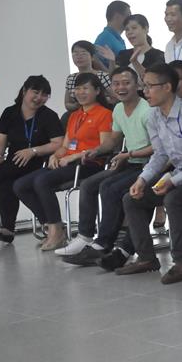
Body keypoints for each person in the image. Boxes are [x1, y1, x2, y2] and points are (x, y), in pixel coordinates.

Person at [116, 63, 182, 283]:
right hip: (179, 174)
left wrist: (174, 181)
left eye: (150, 86)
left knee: (173, 199)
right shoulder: (153, 116)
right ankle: (147, 258)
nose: (145, 91)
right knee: (131, 199)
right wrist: (142, 179)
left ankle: (181, 262)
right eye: (144, 86)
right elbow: (160, 155)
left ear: (167, 87)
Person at [55, 67, 153, 264]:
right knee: (89, 184)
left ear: (137, 85)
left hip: (148, 163)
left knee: (111, 188)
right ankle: (85, 237)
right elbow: (113, 140)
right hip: (129, 161)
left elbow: (158, 147)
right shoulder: (118, 109)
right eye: (116, 84)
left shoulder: (147, 110)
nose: (121, 87)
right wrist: (96, 151)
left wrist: (128, 155)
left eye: (126, 83)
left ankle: (103, 244)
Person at [14, 73, 112, 250]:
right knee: (20, 185)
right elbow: (65, 145)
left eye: (85, 88)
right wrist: (55, 155)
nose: (80, 92)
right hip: (67, 163)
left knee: (42, 181)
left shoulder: (104, 114)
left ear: (97, 91)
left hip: (88, 164)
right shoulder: (74, 115)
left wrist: (74, 156)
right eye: (77, 89)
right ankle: (51, 225)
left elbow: (104, 146)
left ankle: (57, 232)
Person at [0, 76, 64, 244]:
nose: (39, 98)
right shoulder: (10, 113)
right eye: (35, 92)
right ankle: (7, 230)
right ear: (24, 91)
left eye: (44, 95)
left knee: (6, 175)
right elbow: (0, 141)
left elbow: (59, 143)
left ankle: (48, 226)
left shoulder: (49, 116)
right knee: (7, 182)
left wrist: (33, 151)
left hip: (38, 162)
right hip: (14, 161)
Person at [65, 40, 114, 111]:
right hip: (79, 113)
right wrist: (78, 105)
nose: (79, 57)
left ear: (92, 57)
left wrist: (94, 102)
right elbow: (67, 103)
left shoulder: (102, 76)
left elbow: (115, 98)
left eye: (83, 53)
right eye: (75, 53)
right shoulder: (71, 78)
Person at [93, 0, 130, 70]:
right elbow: (95, 62)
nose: (130, 20)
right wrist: (110, 76)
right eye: (128, 16)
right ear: (117, 16)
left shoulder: (117, 39)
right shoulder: (104, 38)